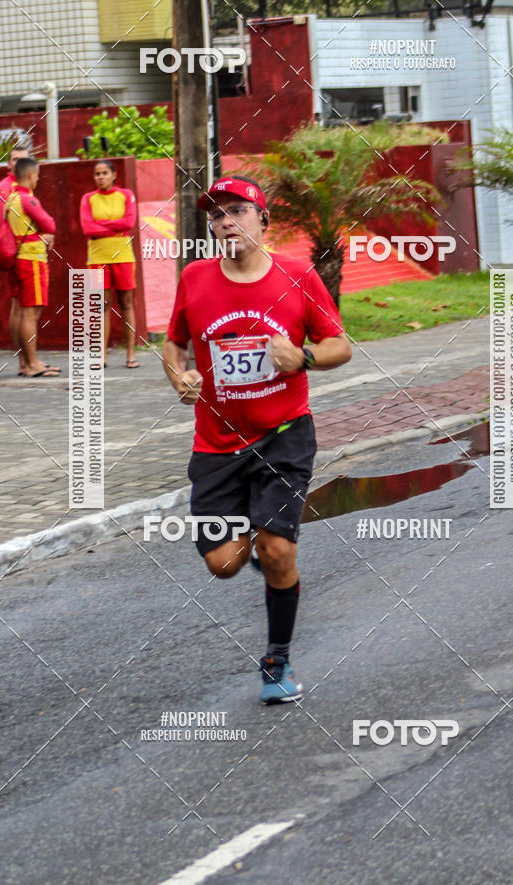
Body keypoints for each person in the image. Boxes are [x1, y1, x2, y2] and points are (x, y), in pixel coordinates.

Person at [162, 175, 352, 704]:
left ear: (263, 220)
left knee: (276, 549)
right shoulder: (196, 278)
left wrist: (304, 356)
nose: (226, 221)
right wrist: (178, 377)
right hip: (216, 442)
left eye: (237, 210)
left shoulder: (298, 276)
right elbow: (172, 344)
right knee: (222, 564)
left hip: (284, 436)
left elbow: (340, 345)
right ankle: (256, 532)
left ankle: (277, 659)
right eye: (217, 214)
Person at [0, 146, 57, 375]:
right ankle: (30, 364)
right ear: (31, 175)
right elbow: (50, 224)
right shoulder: (22, 196)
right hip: (29, 258)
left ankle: (28, 363)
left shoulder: (10, 195)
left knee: (22, 310)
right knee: (29, 312)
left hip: (16, 256)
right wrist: (41, 236)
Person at [79, 160, 139, 368]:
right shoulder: (88, 199)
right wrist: (115, 228)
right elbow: (87, 228)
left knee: (126, 303)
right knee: (101, 306)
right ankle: (101, 356)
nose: (100, 177)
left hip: (123, 256)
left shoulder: (126, 195)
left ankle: (131, 355)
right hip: (97, 258)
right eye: (97, 174)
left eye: (104, 173)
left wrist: (101, 226)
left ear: (114, 175)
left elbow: (129, 223)